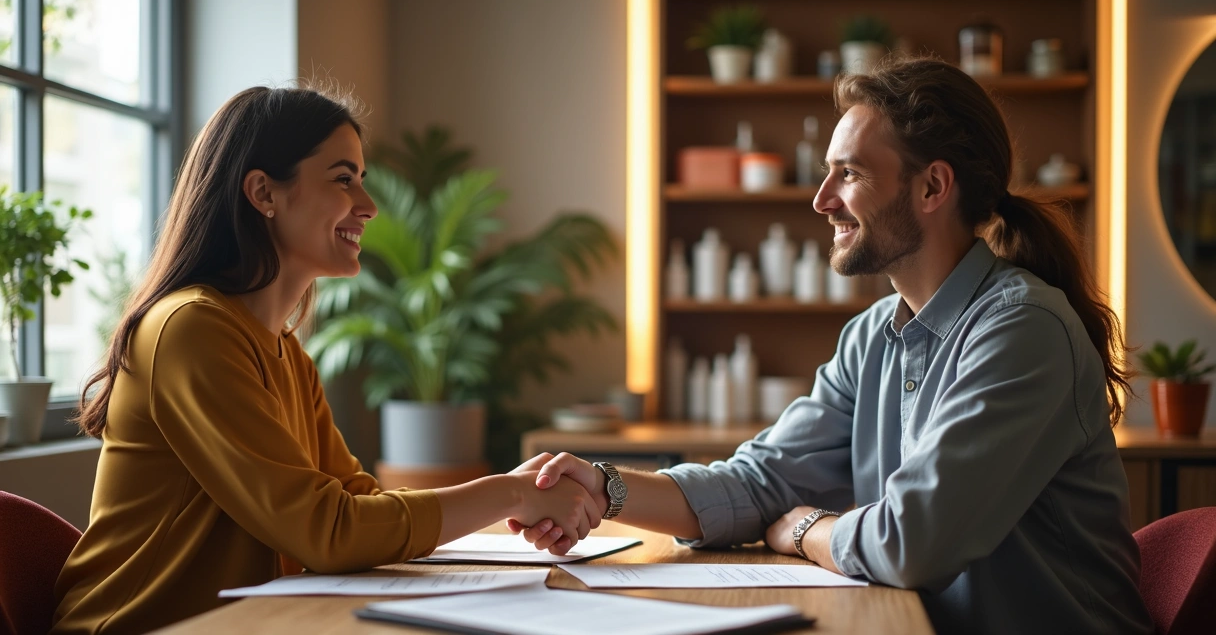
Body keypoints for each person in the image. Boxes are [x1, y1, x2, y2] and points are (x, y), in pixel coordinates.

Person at [511, 58, 1155, 634]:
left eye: (848, 174)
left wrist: (804, 529)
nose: (821, 200)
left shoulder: (1021, 332)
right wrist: (603, 487)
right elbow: (759, 481)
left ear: (932, 187)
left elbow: (910, 543)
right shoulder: (872, 335)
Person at [51, 85, 600, 635]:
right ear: (264, 192)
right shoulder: (190, 329)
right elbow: (328, 531)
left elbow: (354, 503)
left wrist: (517, 491)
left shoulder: (285, 351)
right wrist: (509, 493)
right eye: (343, 179)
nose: (368, 205)